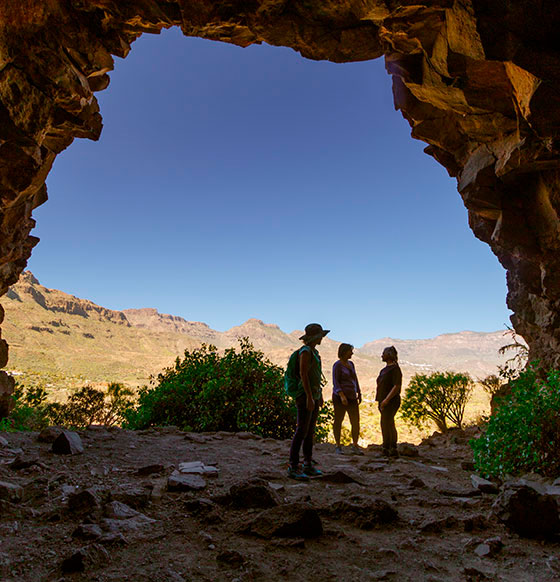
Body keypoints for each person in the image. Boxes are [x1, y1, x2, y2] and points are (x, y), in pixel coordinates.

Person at [288, 323, 329, 479]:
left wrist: (319, 395)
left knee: (309, 432)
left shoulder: (314, 352)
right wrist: (310, 397)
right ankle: (293, 466)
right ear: (315, 337)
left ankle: (307, 464)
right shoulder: (305, 352)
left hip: (313, 395)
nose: (322, 339)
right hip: (305, 396)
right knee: (301, 431)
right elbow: (303, 375)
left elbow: (314, 376)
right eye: (320, 336)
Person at [332, 343, 362, 454]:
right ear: (344, 352)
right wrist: (342, 395)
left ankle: (355, 445)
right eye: (350, 351)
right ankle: (338, 445)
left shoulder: (351, 364)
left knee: (355, 421)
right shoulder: (337, 365)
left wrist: (359, 391)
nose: (352, 353)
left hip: (352, 396)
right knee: (338, 420)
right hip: (340, 398)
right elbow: (336, 381)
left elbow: (355, 379)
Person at [376, 345, 402, 457]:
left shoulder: (395, 369)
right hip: (383, 400)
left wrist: (387, 400)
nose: (382, 355)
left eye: (384, 353)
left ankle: (389, 447)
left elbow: (396, 386)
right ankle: (389, 447)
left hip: (391, 401)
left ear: (389, 355)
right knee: (387, 423)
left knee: (386, 423)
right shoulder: (384, 370)